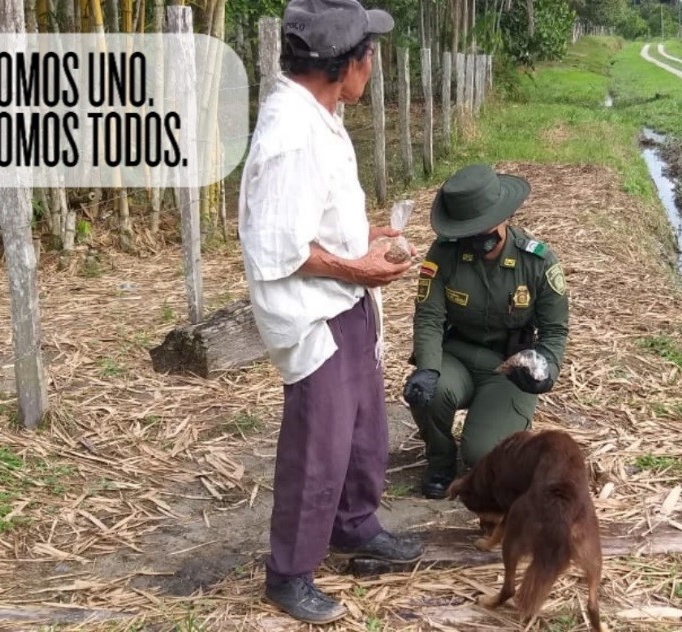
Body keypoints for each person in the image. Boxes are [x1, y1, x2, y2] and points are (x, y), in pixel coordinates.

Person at [237, 0, 423, 624]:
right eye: (369, 54)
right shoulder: (291, 134)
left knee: (364, 430)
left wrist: (366, 240)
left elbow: (315, 221)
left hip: (344, 300)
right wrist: (360, 268)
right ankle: (288, 573)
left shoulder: (321, 113)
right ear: (344, 64)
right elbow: (279, 247)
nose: (373, 64)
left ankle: (354, 525)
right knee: (318, 442)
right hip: (316, 313)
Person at [401, 163, 571, 500]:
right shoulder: (444, 254)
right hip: (457, 356)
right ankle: (440, 459)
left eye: (483, 227)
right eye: (468, 230)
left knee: (482, 457)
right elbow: (429, 317)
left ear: (504, 215)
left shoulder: (536, 262)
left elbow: (555, 331)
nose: (476, 238)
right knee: (428, 392)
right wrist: (428, 368)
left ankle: (480, 438)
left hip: (509, 367)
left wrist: (546, 370)